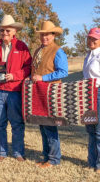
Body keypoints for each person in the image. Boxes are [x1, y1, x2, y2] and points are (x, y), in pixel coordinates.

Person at [0, 14, 32, 162]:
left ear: (14, 31)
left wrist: (15, 75)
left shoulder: (22, 47)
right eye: (2, 30)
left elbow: (29, 68)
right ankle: (1, 152)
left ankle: (18, 152)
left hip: (15, 91)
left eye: (8, 31)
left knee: (17, 123)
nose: (4, 33)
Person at [31, 20, 68, 168]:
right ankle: (46, 156)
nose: (44, 37)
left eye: (47, 35)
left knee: (50, 125)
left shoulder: (58, 51)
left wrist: (43, 78)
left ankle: (53, 159)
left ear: (53, 35)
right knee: (42, 125)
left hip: (51, 92)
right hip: (38, 93)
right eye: (42, 35)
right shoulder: (38, 50)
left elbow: (63, 72)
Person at [83, 27, 100, 173]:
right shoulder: (88, 55)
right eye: (90, 38)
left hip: (98, 93)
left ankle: (99, 164)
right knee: (91, 130)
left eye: (94, 38)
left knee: (99, 131)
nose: (91, 41)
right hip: (87, 95)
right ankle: (91, 161)